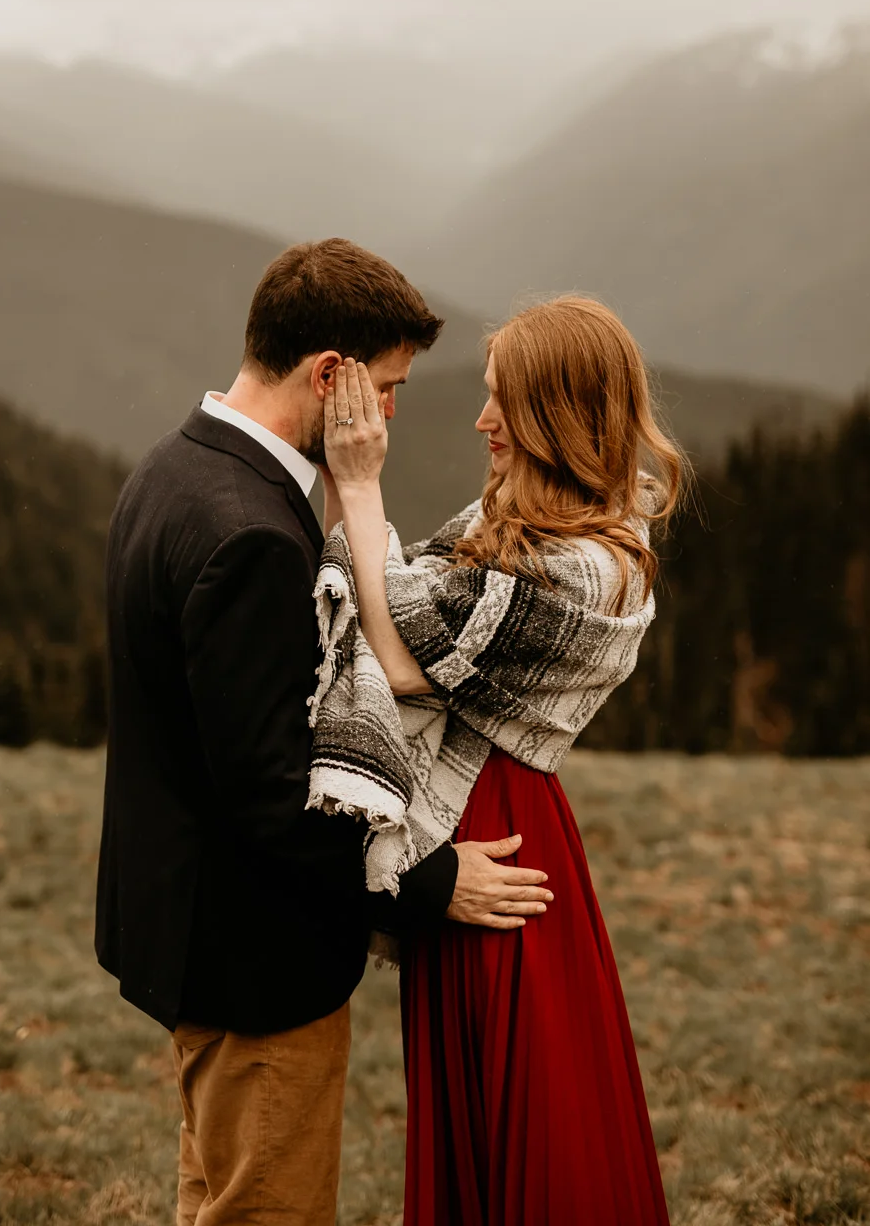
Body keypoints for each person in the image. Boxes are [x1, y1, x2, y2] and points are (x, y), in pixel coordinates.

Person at [95, 238, 554, 1226]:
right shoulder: (254, 532)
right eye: (383, 387)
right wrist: (430, 879)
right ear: (328, 376)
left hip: (187, 938)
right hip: (254, 962)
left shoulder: (172, 470)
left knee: (215, 1196)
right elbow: (276, 793)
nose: (389, 413)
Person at [316, 295, 683, 1226]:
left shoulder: (594, 566)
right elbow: (405, 606)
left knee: (530, 1107)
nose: (481, 422)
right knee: (475, 1103)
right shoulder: (509, 521)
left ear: (558, 414)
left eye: (501, 403)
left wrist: (358, 490)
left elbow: (401, 659)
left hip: (501, 835)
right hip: (467, 825)